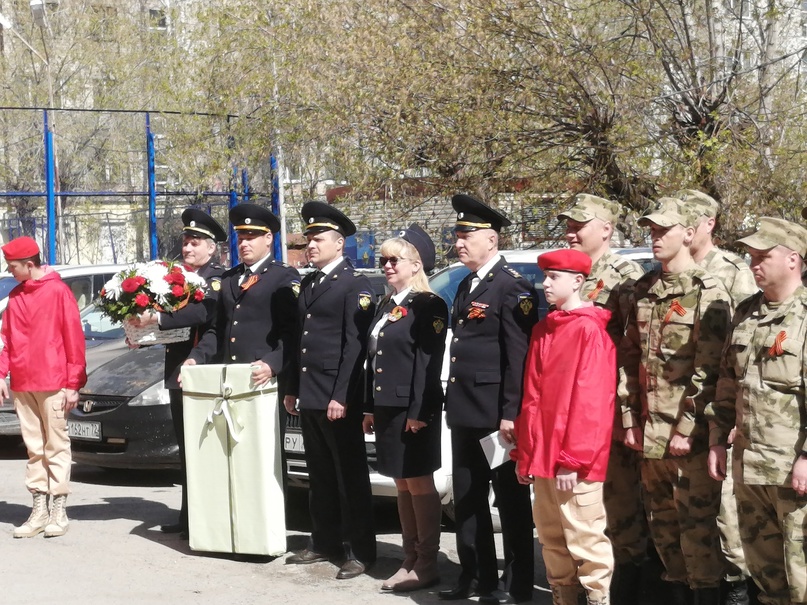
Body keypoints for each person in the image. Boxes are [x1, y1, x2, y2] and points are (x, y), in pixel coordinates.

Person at [620, 197, 731, 605]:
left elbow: (711, 372)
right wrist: (630, 420)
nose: (654, 237)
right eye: (650, 230)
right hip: (650, 438)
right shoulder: (643, 290)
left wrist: (688, 429)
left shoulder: (710, 290)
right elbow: (628, 360)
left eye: (663, 230)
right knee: (664, 535)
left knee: (699, 538)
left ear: (688, 232)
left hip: (691, 441)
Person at [439, 194, 537, 604]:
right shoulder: (466, 284)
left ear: (492, 240)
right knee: (468, 498)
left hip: (497, 415)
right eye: (457, 234)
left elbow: (519, 356)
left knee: (510, 503)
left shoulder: (512, 286)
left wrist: (511, 413)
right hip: (464, 410)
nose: (459, 242)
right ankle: (476, 575)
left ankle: (517, 584)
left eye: (467, 234)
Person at [706, 217, 807, 605]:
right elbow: (728, 382)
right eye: (751, 256)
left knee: (801, 573)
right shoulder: (747, 312)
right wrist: (718, 441)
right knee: (765, 574)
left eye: (763, 256)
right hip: (749, 466)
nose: (754, 264)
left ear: (793, 260)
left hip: (792, 469)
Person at [557, 193, 648, 604]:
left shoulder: (625, 277)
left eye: (580, 224)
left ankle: (627, 588)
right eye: (569, 224)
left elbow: (635, 350)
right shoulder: (563, 273)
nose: (571, 231)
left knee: (620, 502)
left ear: (607, 228)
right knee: (580, 511)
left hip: (609, 405)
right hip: (573, 409)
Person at [513, 248, 615, 605]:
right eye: (545, 276)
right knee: (552, 539)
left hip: (574, 462)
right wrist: (526, 454)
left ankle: (597, 599)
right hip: (544, 458)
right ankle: (563, 598)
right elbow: (533, 398)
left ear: (578, 281)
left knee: (585, 539)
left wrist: (573, 458)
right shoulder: (545, 328)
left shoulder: (588, 331)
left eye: (554, 277)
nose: (545, 284)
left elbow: (592, 403)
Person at [283, 201, 377, 580]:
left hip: (337, 397)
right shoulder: (309, 282)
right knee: (319, 472)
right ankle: (324, 541)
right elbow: (298, 341)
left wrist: (342, 395)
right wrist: (292, 387)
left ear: (339, 244)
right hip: (310, 392)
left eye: (318, 238)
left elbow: (355, 348)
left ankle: (360, 550)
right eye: (308, 239)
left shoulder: (355, 285)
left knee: (349, 475)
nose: (311, 245)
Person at [678, 188, 758, 605]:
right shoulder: (675, 273)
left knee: (726, 523)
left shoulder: (732, 271)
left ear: (709, 223)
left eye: (692, 217)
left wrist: (728, 421)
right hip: (682, 414)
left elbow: (744, 350)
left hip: (718, 412)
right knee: (689, 521)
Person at [129, 208, 227, 536]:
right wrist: (141, 334)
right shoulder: (179, 279)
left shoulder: (216, 278)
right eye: (185, 242)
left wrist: (156, 320)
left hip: (203, 373)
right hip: (178, 373)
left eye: (195, 243)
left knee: (205, 450)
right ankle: (189, 518)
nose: (187, 249)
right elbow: (174, 328)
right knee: (187, 451)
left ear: (211, 248)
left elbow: (200, 314)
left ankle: (206, 519)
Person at [362, 224, 448, 593]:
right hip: (386, 407)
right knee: (401, 482)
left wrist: (419, 412)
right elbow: (375, 360)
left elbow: (427, 364)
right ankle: (409, 556)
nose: (387, 265)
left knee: (418, 481)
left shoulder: (428, 304)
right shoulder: (387, 304)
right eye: (383, 260)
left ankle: (426, 561)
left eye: (394, 259)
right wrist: (369, 407)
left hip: (412, 408)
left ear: (415, 265)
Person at [0, 236, 87, 538]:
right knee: (34, 448)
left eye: (13, 266)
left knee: (56, 446)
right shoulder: (16, 296)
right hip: (23, 383)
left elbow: (74, 340)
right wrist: (2, 374)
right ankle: (39, 508)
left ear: (29, 264)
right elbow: (7, 339)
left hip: (53, 382)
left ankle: (58, 510)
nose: (10, 271)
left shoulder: (59, 292)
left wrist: (73, 383)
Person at [185, 203, 300, 379]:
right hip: (231, 375)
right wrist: (196, 357)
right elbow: (217, 329)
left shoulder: (282, 276)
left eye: (250, 238)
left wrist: (273, 363)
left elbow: (292, 331)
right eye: (240, 239)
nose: (244, 244)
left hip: (264, 376)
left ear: (268, 238)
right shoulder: (229, 277)